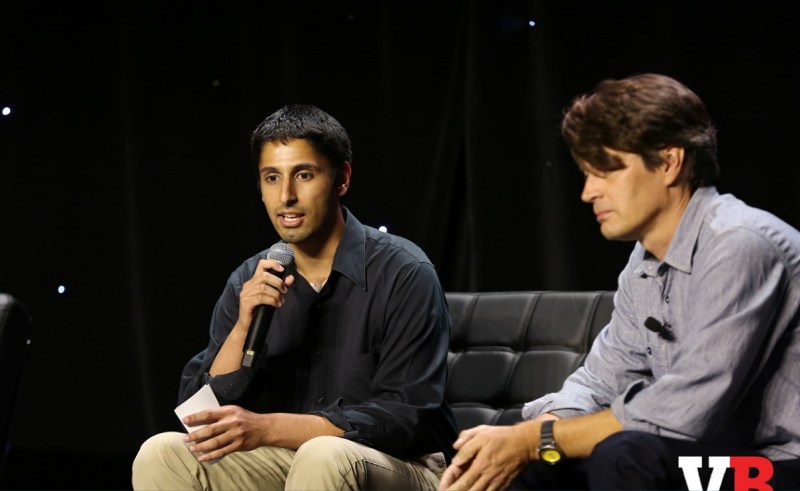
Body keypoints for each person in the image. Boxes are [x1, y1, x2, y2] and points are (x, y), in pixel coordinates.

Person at [439, 74, 800, 490]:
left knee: (623, 455)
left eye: (606, 171)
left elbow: (681, 412)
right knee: (538, 462)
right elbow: (599, 381)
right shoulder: (645, 262)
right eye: (586, 174)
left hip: (774, 466)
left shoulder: (738, 244)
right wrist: (527, 440)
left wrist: (533, 439)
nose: (587, 193)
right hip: (703, 462)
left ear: (669, 162)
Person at [132, 104, 457, 490]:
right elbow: (198, 419)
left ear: (342, 179)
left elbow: (404, 417)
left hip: (405, 465)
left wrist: (267, 428)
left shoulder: (404, 272)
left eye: (303, 175)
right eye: (272, 178)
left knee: (323, 454)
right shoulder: (249, 280)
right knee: (162, 453)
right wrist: (242, 327)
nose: (286, 196)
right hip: (289, 464)